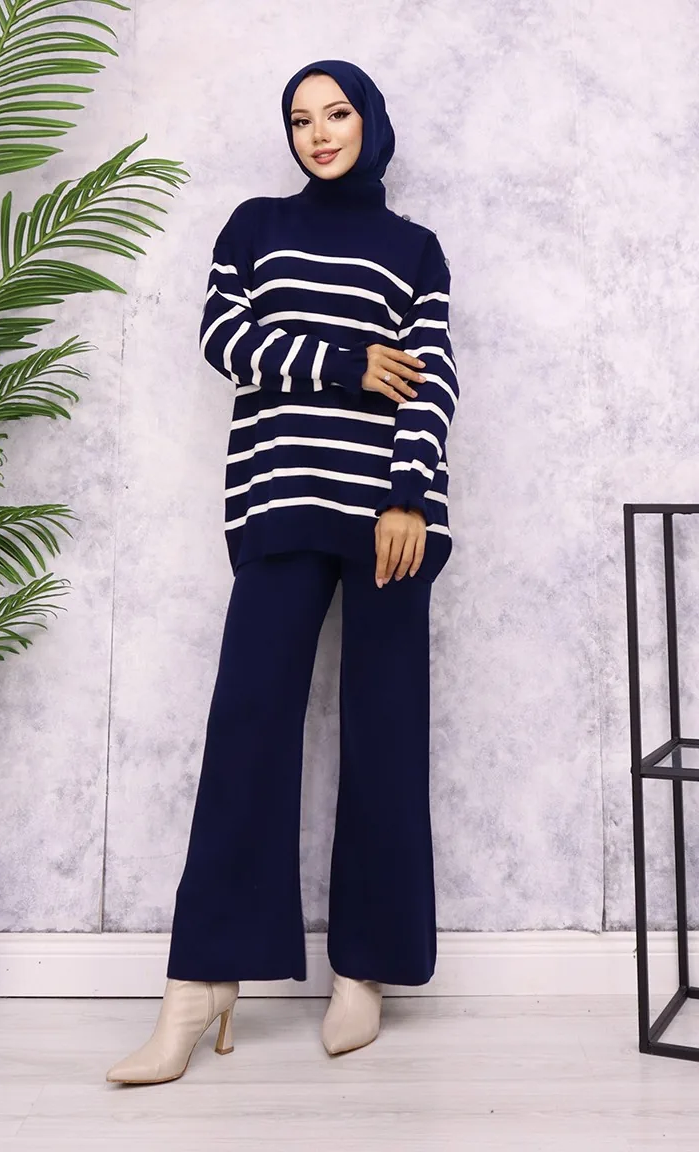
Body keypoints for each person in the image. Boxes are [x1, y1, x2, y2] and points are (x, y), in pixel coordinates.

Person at [106, 57, 459, 1086]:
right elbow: (226, 339)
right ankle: (198, 984)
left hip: (386, 514)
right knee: (247, 728)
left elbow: (431, 383)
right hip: (280, 500)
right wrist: (346, 360)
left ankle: (366, 967)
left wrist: (409, 495)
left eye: (337, 113)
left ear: (369, 122)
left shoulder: (415, 249)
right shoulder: (254, 228)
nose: (319, 132)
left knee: (385, 734)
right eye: (301, 119)